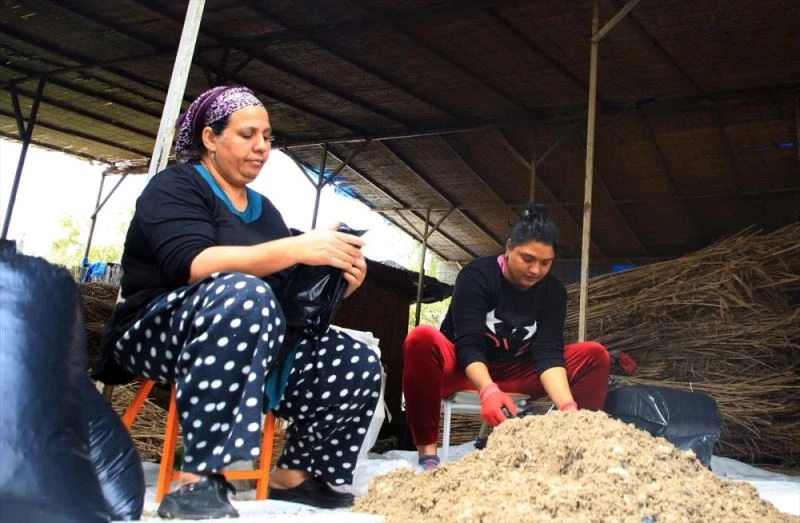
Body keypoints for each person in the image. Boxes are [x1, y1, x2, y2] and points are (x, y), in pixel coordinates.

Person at [95, 85, 382, 519]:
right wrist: (298, 247)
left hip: (249, 330)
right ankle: (198, 481)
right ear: (210, 138)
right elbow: (194, 264)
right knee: (243, 295)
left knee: (356, 360)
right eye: (248, 134)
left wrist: (338, 283)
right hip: (158, 328)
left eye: (267, 137)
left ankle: (297, 475)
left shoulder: (265, 212)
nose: (262, 147)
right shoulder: (174, 186)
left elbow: (282, 301)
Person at [402, 203, 610, 470]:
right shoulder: (477, 275)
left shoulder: (553, 291)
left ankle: (579, 444)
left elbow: (547, 353)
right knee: (421, 338)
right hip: (464, 369)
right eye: (527, 259)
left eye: (545, 263)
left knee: (594, 355)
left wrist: (569, 407)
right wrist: (488, 389)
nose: (536, 270)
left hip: (517, 370)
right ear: (509, 247)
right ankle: (427, 453)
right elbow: (469, 344)